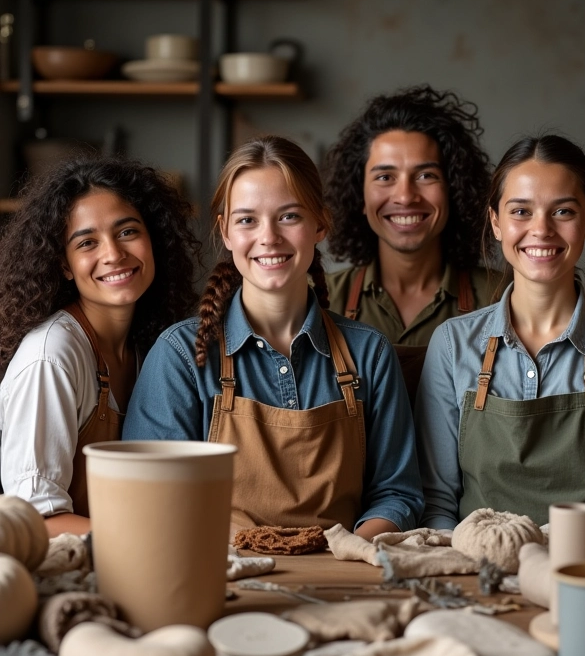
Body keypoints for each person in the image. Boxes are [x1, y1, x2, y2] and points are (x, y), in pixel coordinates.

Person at [123, 136, 423, 540]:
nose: (269, 237)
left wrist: (348, 555)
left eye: (289, 217)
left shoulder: (369, 353)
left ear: (321, 223)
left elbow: (395, 494)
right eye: (247, 219)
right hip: (220, 574)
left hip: (342, 574)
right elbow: (154, 496)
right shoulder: (180, 355)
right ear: (225, 232)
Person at [416, 134, 585, 532]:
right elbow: (437, 503)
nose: (541, 229)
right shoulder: (452, 345)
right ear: (496, 223)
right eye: (520, 211)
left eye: (563, 212)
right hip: (479, 577)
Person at [0, 157, 200, 536]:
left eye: (127, 232)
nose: (113, 254)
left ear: (153, 237)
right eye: (88, 242)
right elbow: (37, 520)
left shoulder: (152, 344)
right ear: (64, 264)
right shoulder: (52, 356)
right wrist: (157, 540)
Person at [323, 85, 503, 403]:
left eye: (425, 176)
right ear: (359, 196)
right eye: (384, 177)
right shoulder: (320, 300)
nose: (405, 196)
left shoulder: (501, 298)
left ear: (453, 189)